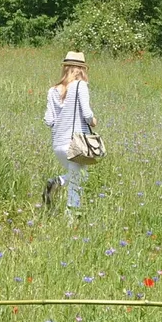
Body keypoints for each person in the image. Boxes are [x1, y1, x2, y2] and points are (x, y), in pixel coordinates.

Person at [43, 50, 96, 210]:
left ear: (65, 68)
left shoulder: (52, 90)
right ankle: (72, 218)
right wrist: (93, 121)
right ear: (81, 69)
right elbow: (87, 114)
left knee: (81, 177)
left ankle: (58, 182)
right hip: (75, 143)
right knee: (77, 184)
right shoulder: (80, 86)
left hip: (58, 144)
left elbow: (48, 120)